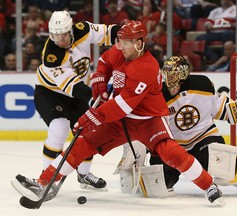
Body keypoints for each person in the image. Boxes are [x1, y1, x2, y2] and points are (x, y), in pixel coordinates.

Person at [11, 20, 224, 206]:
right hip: (118, 121)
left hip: (148, 121)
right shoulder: (122, 50)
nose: (119, 46)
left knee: (172, 154)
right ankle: (43, 182)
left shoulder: (146, 67)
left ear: (139, 43)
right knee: (82, 144)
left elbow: (123, 105)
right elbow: (104, 61)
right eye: (119, 40)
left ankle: (208, 186)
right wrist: (99, 81)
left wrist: (92, 116)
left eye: (125, 42)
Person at [11, 10, 120, 192]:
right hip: (51, 93)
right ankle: (47, 178)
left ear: (70, 30)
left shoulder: (82, 29)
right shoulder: (51, 55)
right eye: (55, 35)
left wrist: (126, 35)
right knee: (59, 127)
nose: (59, 39)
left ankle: (84, 175)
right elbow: (72, 86)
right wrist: (95, 96)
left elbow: (108, 33)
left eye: (63, 34)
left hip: (77, 94)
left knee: (89, 133)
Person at [148, 55, 237, 195]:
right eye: (167, 76)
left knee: (223, 162)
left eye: (174, 77)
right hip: (174, 146)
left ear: (183, 75)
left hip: (203, 138)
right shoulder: (158, 94)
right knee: (157, 184)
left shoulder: (202, 85)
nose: (170, 83)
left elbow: (221, 109)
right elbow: (151, 125)